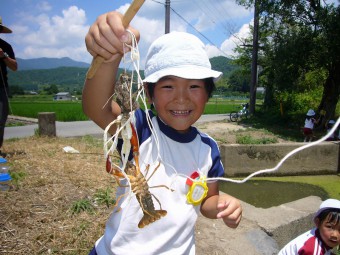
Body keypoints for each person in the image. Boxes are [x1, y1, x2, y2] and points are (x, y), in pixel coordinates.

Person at [83, 11, 242, 255]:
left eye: (194, 86)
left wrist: (222, 205)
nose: (181, 97)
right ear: (149, 93)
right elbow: (97, 108)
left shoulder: (208, 149)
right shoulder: (141, 129)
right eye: (168, 86)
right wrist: (110, 53)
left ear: (208, 94)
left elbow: (206, 201)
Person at [0, 16, 18, 157]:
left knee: (1, 118)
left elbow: (14, 67)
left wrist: (4, 56)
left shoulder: (5, 47)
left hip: (1, 87)